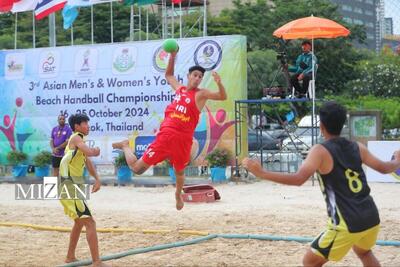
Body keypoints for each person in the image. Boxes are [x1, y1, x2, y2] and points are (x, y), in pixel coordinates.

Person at [243, 101, 400, 267]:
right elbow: (383, 168)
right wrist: (397, 159)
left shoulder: (320, 151)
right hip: (371, 217)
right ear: (342, 124)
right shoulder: (357, 147)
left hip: (346, 222)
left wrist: (263, 173)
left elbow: (299, 179)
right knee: (364, 252)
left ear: (321, 125)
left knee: (310, 262)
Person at [112, 48, 227, 210]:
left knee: (180, 172)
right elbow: (169, 75)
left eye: (200, 76)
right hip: (166, 136)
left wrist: (219, 83)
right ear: (188, 76)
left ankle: (178, 195)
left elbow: (222, 97)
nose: (197, 78)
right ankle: (125, 145)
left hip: (183, 140)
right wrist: (172, 56)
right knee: (137, 169)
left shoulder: (201, 94)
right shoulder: (180, 89)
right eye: (195, 75)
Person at [59, 114, 107, 267]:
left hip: (72, 186)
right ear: (76, 126)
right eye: (84, 123)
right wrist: (96, 150)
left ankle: (70, 257)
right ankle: (96, 262)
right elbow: (91, 153)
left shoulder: (79, 142)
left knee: (79, 223)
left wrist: (97, 179)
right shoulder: (76, 138)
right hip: (69, 186)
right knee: (90, 223)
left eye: (87, 122)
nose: (88, 125)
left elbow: (88, 161)